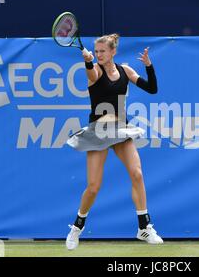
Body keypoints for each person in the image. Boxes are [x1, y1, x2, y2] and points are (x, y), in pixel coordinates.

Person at [65, 34, 163, 250]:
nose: (99, 55)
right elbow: (91, 73)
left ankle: (144, 226)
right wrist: (88, 60)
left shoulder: (125, 71)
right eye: (96, 51)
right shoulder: (95, 70)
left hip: (121, 130)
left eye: (102, 51)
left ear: (113, 52)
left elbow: (152, 88)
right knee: (93, 187)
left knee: (137, 173)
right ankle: (77, 227)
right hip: (98, 132)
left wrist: (148, 65)